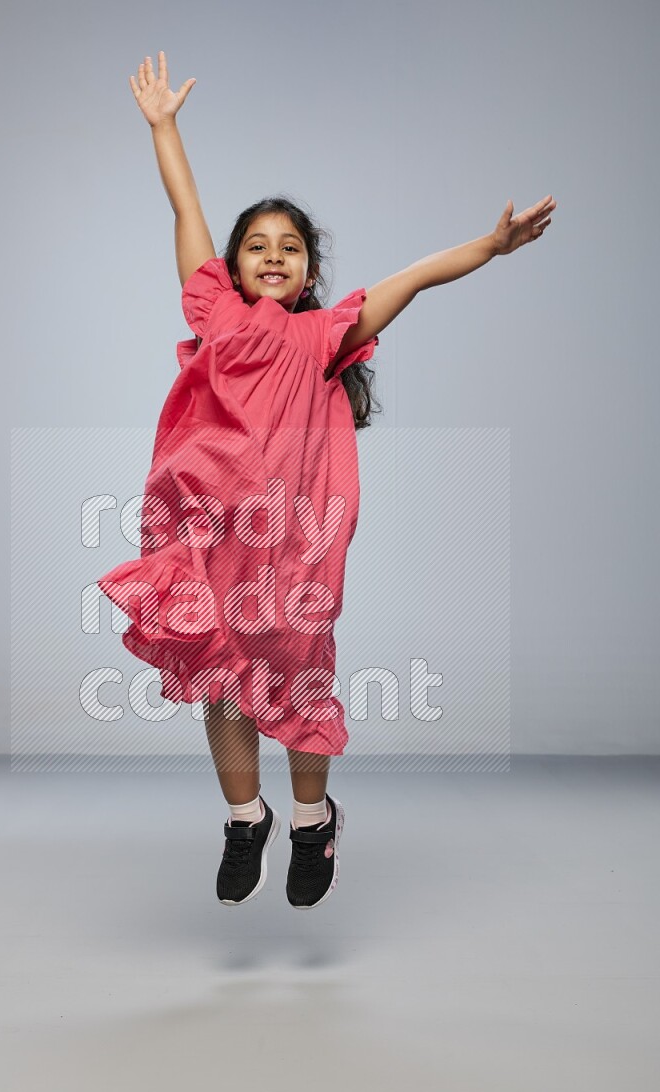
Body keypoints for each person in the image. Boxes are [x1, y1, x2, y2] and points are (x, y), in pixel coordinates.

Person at [98, 52, 556, 911]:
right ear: (231, 268)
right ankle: (247, 818)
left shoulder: (326, 341)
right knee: (219, 679)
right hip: (210, 548)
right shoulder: (217, 317)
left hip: (294, 549)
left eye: (291, 247)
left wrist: (491, 248)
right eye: (257, 246)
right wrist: (165, 127)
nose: (274, 256)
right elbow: (185, 206)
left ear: (309, 272)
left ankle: (313, 820)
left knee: (299, 678)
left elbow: (414, 278)